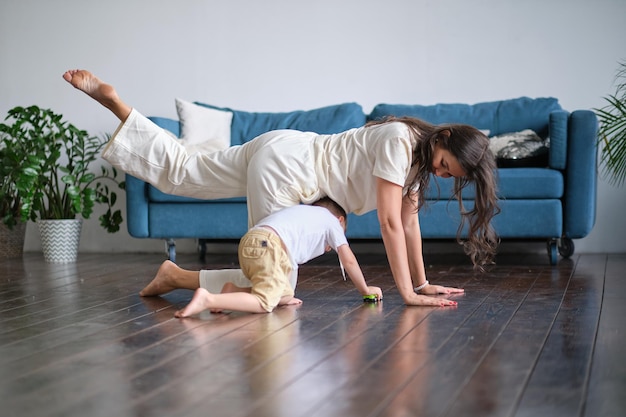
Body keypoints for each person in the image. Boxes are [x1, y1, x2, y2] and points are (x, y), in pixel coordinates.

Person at [62, 69, 499, 307]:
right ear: (441, 138)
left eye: (450, 175)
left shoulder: (417, 161)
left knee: (187, 171)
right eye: (444, 164)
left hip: (284, 150)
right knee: (273, 286)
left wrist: (421, 284)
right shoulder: (401, 141)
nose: (442, 174)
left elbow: (409, 225)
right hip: (290, 169)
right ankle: (176, 277)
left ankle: (118, 104)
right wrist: (405, 294)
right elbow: (388, 222)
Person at [140, 197, 385, 316]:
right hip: (270, 247)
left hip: (253, 242)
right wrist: (365, 289)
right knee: (265, 303)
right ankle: (209, 300)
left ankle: (230, 290)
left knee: (283, 292)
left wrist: (286, 295)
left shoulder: (300, 214)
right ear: (340, 220)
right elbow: (349, 259)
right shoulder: (331, 221)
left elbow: (287, 259)